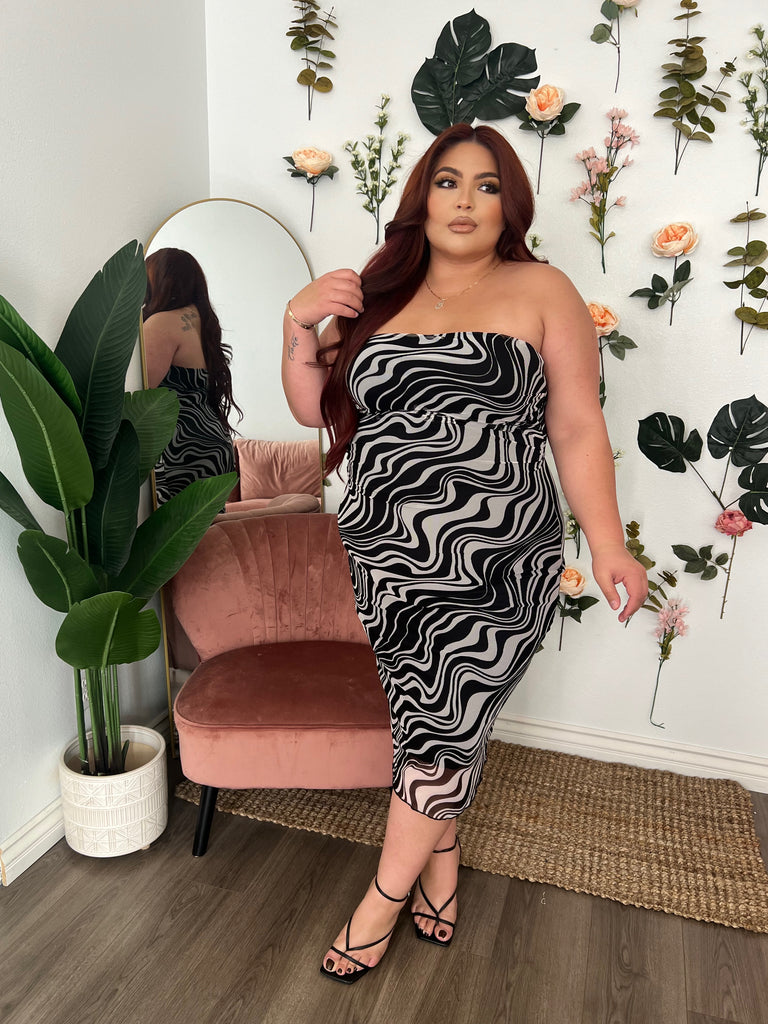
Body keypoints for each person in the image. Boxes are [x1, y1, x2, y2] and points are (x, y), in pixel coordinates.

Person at [281, 123, 648, 984]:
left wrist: (609, 544)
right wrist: (298, 321)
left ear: (510, 207)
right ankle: (441, 864)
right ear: (423, 196)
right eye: (449, 181)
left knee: (443, 727)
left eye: (488, 187)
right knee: (429, 725)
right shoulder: (378, 295)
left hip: (498, 561)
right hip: (385, 558)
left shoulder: (542, 288)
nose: (466, 201)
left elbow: (576, 425)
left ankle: (379, 903)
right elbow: (309, 408)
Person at [142, 247, 241, 504]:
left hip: (179, 446)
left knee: (173, 529)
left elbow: (141, 391)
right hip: (213, 442)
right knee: (206, 528)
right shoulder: (204, 321)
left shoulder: (160, 323)